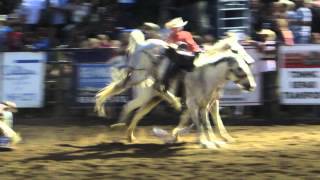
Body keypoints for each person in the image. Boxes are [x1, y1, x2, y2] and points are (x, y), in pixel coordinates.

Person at [159, 17, 202, 92]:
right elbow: (168, 44)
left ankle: (166, 85)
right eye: (174, 27)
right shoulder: (172, 35)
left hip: (185, 57)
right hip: (180, 57)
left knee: (171, 70)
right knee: (171, 69)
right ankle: (166, 84)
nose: (176, 29)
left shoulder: (185, 34)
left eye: (177, 27)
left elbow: (192, 44)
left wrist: (197, 49)